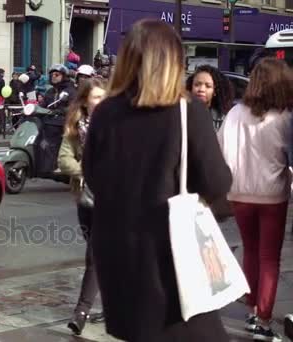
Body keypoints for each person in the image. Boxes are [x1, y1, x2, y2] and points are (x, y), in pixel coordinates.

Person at [83, 20, 232, 341]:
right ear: (173, 63)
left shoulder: (106, 112)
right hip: (171, 254)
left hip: (117, 251)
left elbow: (92, 176)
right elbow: (217, 182)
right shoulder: (188, 111)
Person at [218, 57, 293, 342]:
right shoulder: (285, 117)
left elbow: (221, 147)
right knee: (269, 258)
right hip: (272, 193)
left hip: (239, 192)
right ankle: (263, 318)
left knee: (250, 251)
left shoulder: (235, 113)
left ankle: (251, 310)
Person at [58, 79, 107, 335]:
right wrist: (86, 171)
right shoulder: (76, 128)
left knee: (94, 255)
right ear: (86, 101)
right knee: (100, 253)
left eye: (103, 97)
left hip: (110, 201)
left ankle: (81, 312)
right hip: (84, 198)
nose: (99, 102)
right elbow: (63, 159)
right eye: (95, 97)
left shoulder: (115, 127)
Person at [37, 64, 76, 175]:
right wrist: (35, 109)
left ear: (64, 76)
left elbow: (73, 107)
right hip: (49, 120)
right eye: (52, 75)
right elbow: (43, 105)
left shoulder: (70, 91)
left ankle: (55, 164)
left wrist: (61, 111)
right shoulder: (50, 91)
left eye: (57, 74)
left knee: (53, 132)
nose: (53, 76)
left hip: (64, 122)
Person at [186, 65, 234, 130]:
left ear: (215, 91)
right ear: (190, 87)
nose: (201, 89)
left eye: (208, 86)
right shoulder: (181, 113)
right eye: (197, 84)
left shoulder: (223, 119)